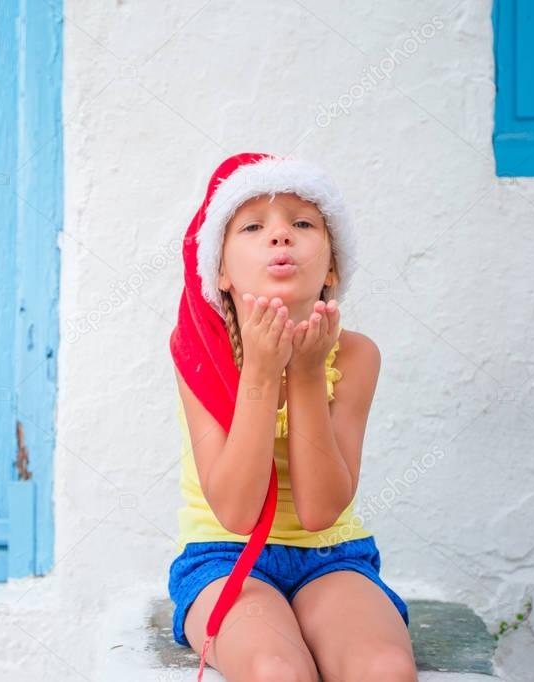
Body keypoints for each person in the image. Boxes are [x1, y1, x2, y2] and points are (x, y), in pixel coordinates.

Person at [167, 152, 417, 682]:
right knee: (275, 669)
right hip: (224, 558)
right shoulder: (200, 355)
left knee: (384, 668)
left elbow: (322, 510)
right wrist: (260, 372)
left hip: (329, 555)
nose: (280, 237)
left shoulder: (354, 356)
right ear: (222, 272)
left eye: (302, 224)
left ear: (330, 264)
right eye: (254, 227)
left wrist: (305, 373)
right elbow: (235, 511)